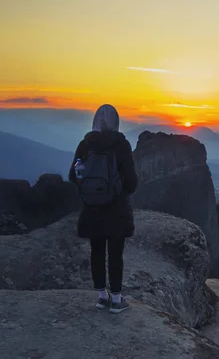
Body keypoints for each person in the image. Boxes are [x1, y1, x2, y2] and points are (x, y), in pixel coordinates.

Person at [69, 104, 138, 314]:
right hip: (116, 210)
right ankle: (116, 300)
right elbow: (132, 183)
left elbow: (73, 176)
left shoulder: (85, 144)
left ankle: (101, 297)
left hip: (92, 209)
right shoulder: (121, 145)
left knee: (96, 252)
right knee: (115, 255)